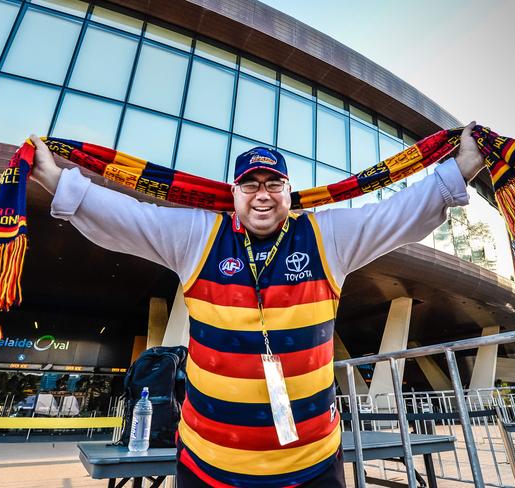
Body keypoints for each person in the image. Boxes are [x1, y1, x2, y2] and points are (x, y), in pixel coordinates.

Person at [30, 122, 484, 487]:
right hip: (209, 467)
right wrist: (59, 182)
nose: (262, 194)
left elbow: (396, 214)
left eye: (273, 183)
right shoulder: (197, 235)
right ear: (233, 193)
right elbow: (128, 219)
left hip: (311, 467)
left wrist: (458, 170)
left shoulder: (328, 236)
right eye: (249, 185)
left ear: (289, 191)